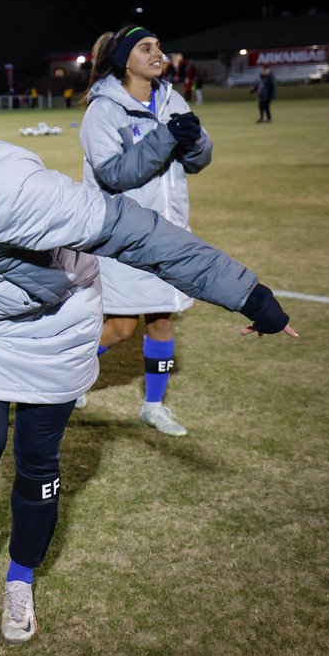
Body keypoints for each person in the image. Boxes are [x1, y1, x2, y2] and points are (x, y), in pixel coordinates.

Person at [0, 78, 295, 645]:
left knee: (37, 463)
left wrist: (251, 296)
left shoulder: (14, 188)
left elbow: (141, 237)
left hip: (52, 327)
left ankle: (21, 577)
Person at [79, 26, 214, 435]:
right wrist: (165, 136)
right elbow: (116, 174)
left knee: (161, 322)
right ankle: (66, 377)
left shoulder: (171, 97)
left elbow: (197, 160)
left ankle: (153, 407)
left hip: (168, 232)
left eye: (159, 46)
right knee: (120, 328)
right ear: (124, 60)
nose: (159, 53)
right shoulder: (103, 111)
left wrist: (194, 142)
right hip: (124, 233)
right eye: (146, 48)